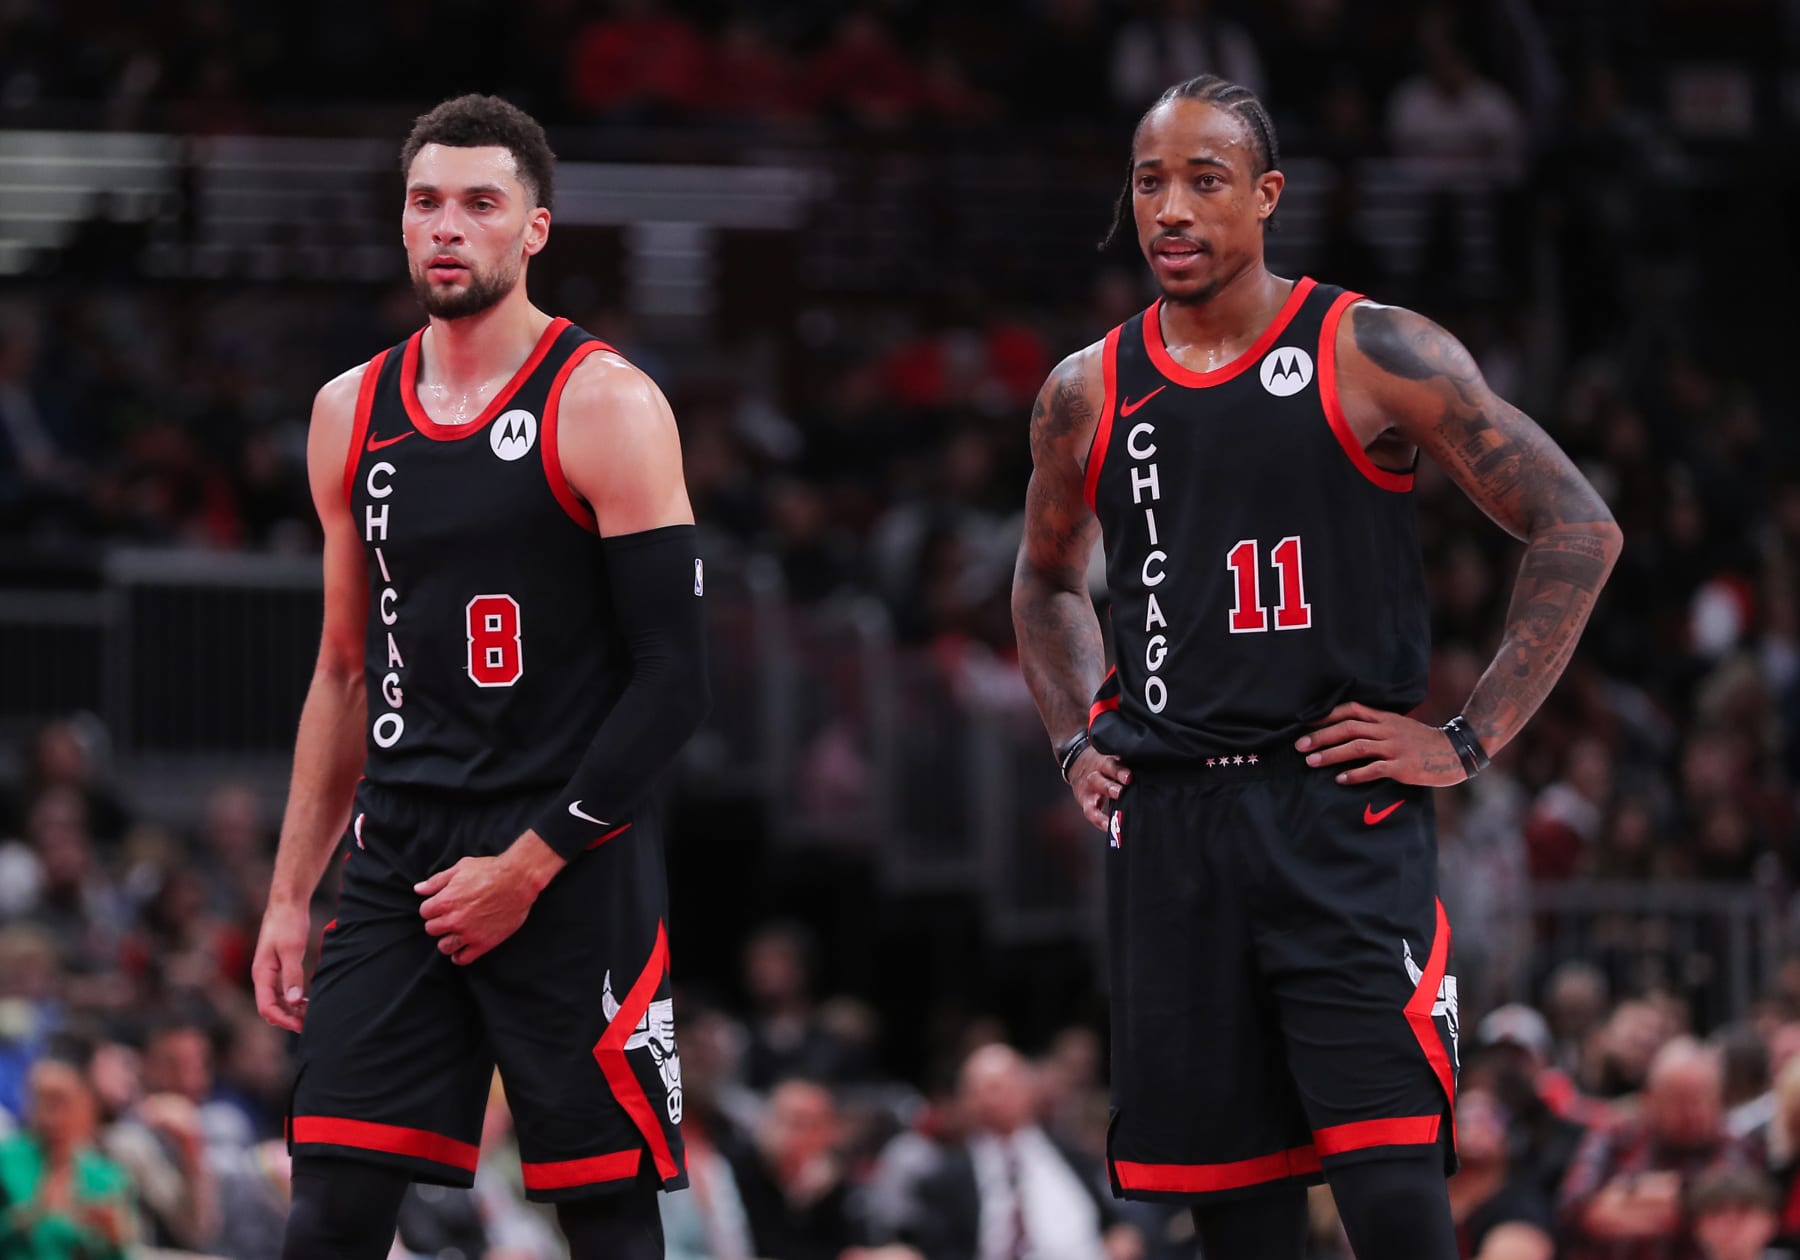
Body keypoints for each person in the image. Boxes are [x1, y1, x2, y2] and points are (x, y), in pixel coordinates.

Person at [1009, 74, 1622, 1260]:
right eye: (1149, 182)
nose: (1172, 209)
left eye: (1205, 180)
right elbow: (1042, 581)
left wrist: (1468, 736)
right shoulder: (1086, 389)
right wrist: (1075, 737)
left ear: (1268, 196)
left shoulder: (1371, 345)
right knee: (1238, 1224)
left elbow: (1577, 525)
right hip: (1176, 825)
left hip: (1336, 815)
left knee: (1395, 1200)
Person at [250, 93, 711, 1260]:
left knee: (606, 1216)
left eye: (478, 203)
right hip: (401, 841)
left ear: (533, 230)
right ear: (400, 225)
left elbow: (674, 680)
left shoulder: (606, 401)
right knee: (331, 1206)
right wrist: (288, 893)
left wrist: (530, 861)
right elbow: (345, 670)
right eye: (424, 203)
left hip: (567, 849)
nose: (446, 226)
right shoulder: (347, 412)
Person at [903, 1042, 1143, 1260]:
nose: (1000, 1096)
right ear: (967, 1101)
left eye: (1010, 1082)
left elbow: (1111, 1222)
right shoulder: (946, 1177)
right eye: (988, 1088)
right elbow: (936, 1249)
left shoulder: (1072, 1154)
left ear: (1030, 1088)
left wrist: (1118, 1237)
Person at [1558, 1038, 1757, 1260]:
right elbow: (1575, 1208)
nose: (1694, 1112)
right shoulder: (1617, 1136)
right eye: (1681, 1101)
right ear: (1651, 1099)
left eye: (1704, 1098)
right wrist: (1680, 1204)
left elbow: (1721, 1209)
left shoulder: (1735, 1143)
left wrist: (1626, 1194)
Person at [0, 1056, 137, 1259]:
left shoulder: (107, 1178)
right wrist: (29, 1215)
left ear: (87, 1107)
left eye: (60, 1102)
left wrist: (114, 1238)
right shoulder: (6, 1161)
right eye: (42, 1102)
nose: (51, 1117)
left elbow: (122, 1253)